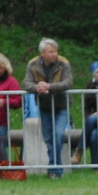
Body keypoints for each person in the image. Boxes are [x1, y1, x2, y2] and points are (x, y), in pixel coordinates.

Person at [23, 38, 73, 177]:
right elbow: (26, 83)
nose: (54, 54)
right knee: (48, 138)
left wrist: (50, 87)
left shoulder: (64, 63)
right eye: (51, 52)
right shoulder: (32, 64)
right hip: (44, 106)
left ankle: (55, 170)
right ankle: (54, 169)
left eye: (55, 51)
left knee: (58, 134)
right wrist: (37, 87)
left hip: (61, 105)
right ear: (42, 53)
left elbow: (68, 82)